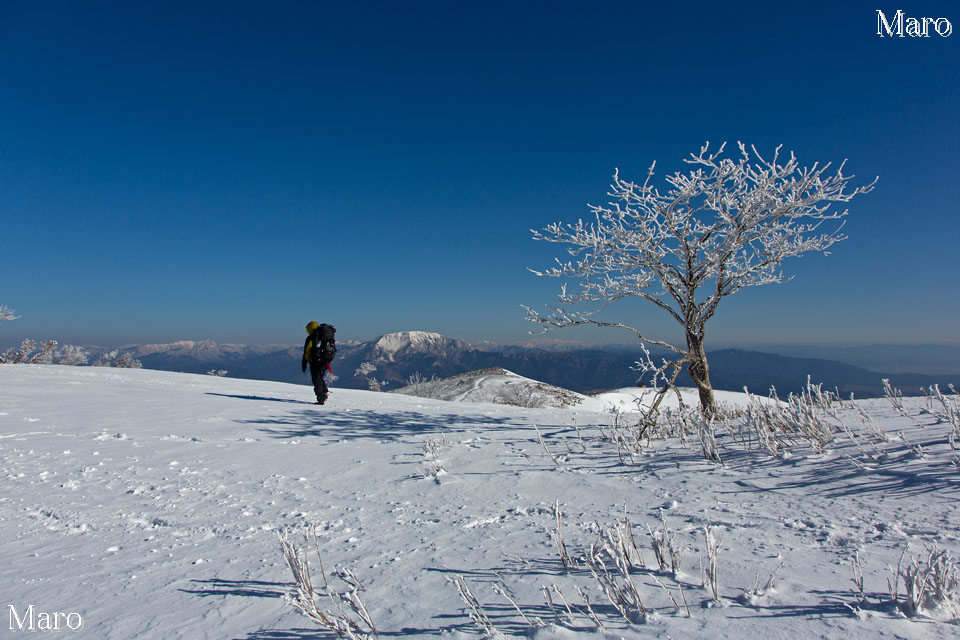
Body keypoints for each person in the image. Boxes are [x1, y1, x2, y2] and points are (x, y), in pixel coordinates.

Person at [302, 321, 336, 404]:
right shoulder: (323, 336)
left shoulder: (312, 337)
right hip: (324, 361)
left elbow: (307, 351)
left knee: (316, 379)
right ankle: (324, 392)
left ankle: (321, 397)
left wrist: (304, 361)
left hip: (315, 361)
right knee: (320, 377)